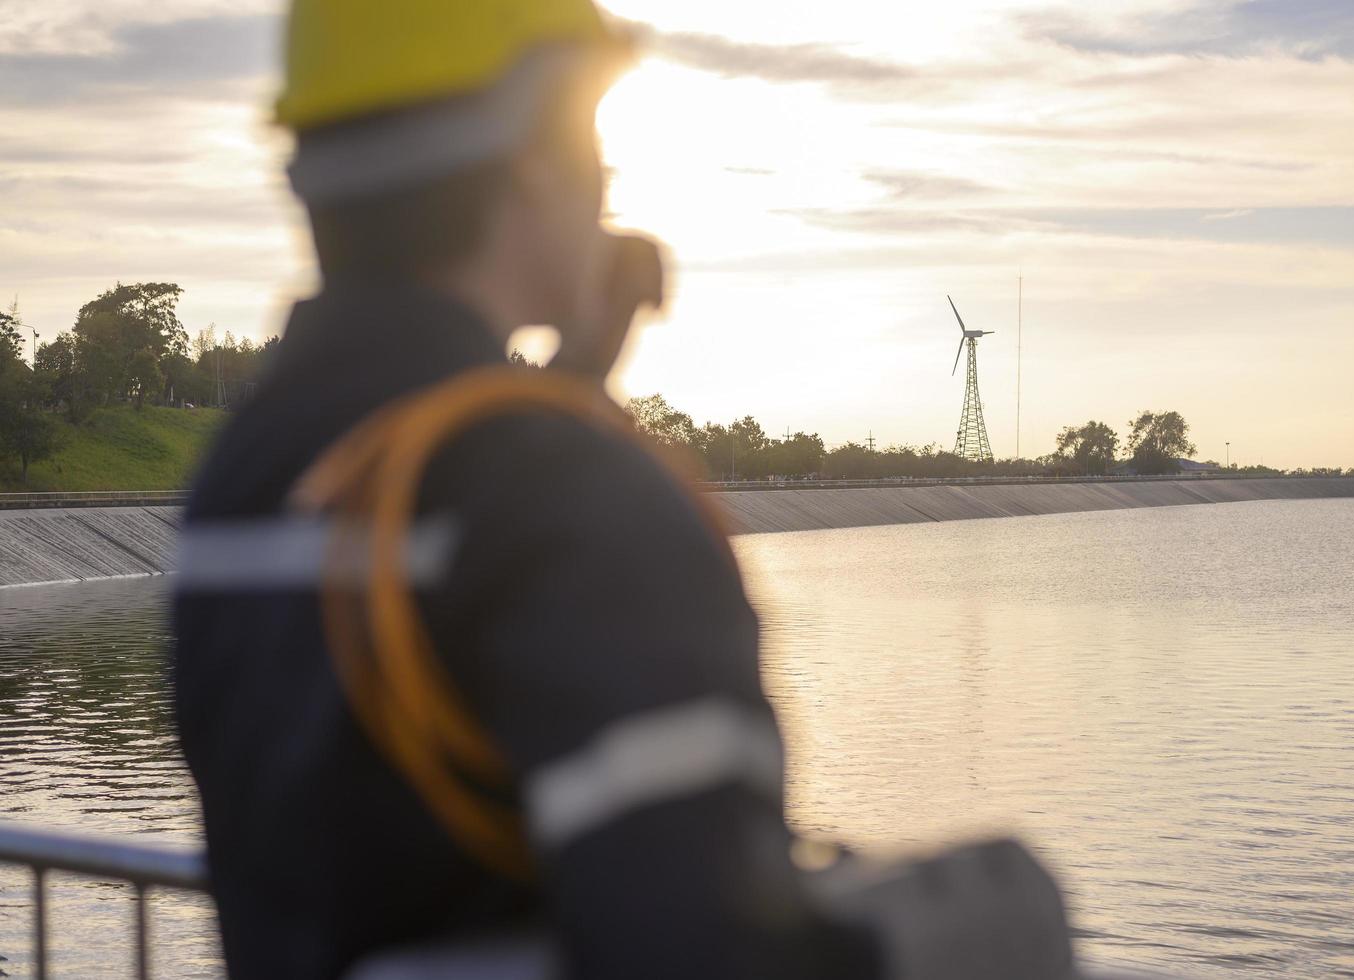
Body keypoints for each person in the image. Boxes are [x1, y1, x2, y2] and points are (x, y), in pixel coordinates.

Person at [171, 1, 1078, 977]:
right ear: (531, 149)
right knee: (1000, 904)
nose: (607, 183)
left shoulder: (240, 484)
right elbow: (705, 951)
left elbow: (398, 816)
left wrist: (561, 393)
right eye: (594, 137)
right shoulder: (570, 502)